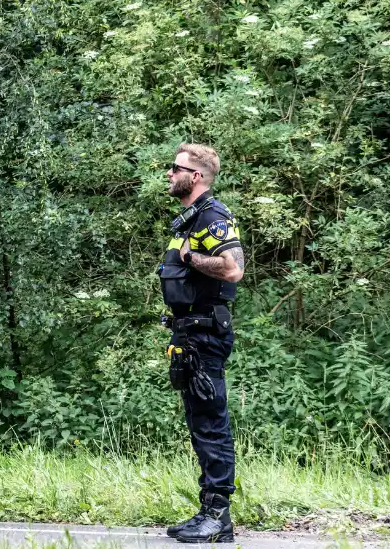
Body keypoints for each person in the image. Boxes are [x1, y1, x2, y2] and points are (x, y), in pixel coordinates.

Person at [157, 143, 245, 544]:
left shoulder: (212, 216)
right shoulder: (189, 221)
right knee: (200, 422)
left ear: (196, 177)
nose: (168, 174)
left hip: (207, 334)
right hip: (190, 333)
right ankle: (208, 509)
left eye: (175, 169)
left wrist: (193, 259)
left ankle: (218, 517)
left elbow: (232, 268)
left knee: (210, 422)